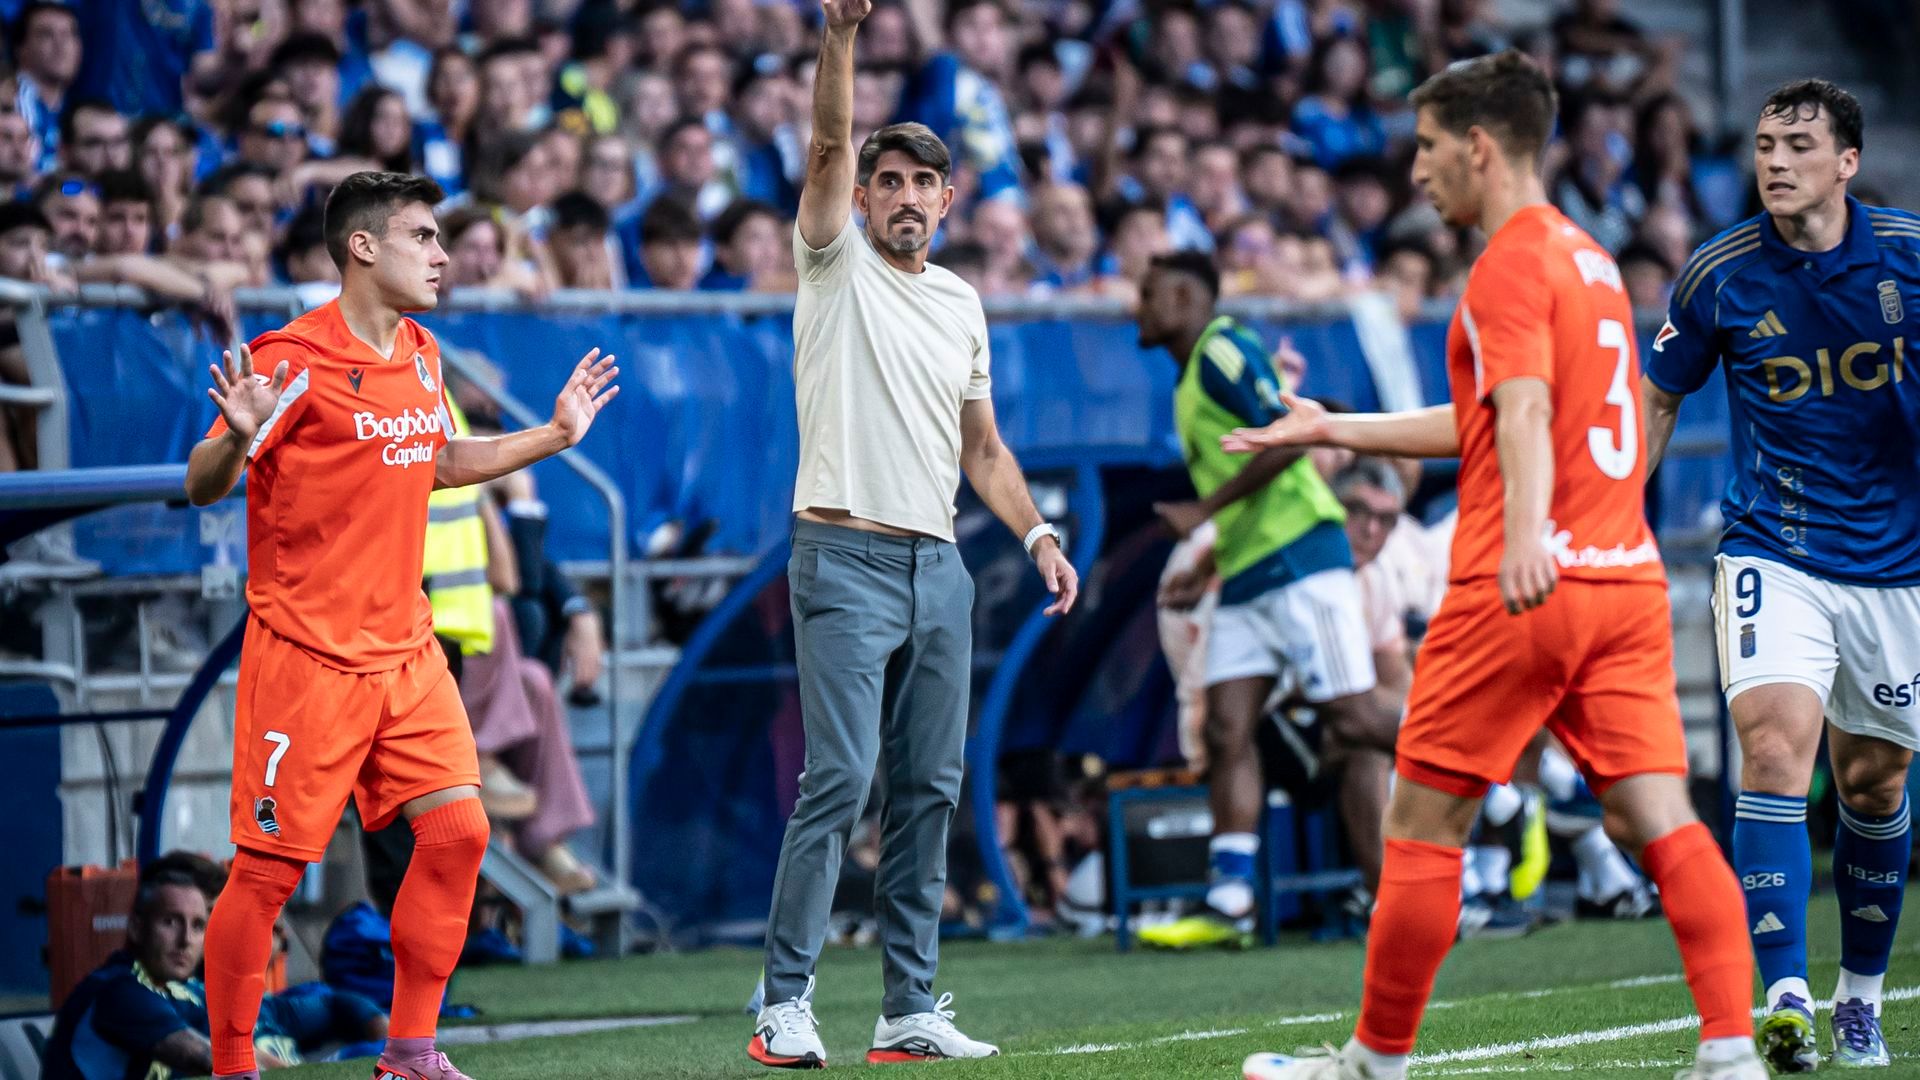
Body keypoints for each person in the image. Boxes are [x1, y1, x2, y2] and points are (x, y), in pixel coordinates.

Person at [1231, 50, 1761, 1080]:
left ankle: (1371, 1064)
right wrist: (1331, 429)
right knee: (1661, 815)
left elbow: (1520, 414)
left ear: (1480, 145)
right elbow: (1493, 416)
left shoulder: (1508, 261)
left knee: (1422, 822)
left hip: (1522, 582)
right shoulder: (1591, 259)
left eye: (1427, 148)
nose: (1417, 172)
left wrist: (1523, 535)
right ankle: (1730, 1047)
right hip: (1623, 580)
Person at [182, 170, 619, 1080]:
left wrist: (553, 435)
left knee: (460, 834)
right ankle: (231, 1068)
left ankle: (410, 1053)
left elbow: (442, 458)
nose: (443, 254)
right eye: (423, 236)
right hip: (307, 659)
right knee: (266, 877)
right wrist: (233, 437)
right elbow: (202, 484)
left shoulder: (421, 349)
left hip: (407, 652)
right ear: (363, 247)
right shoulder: (289, 358)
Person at [749, 0, 1077, 1066]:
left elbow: (983, 450)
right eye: (883, 179)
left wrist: (1036, 538)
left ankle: (907, 1007)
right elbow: (832, 139)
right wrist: (841, 37)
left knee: (932, 786)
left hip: (939, 564)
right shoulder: (829, 261)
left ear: (947, 199)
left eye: (917, 182)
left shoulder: (964, 301)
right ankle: (784, 1000)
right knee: (840, 777)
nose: (896, 195)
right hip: (840, 553)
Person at [1641, 78, 1920, 1073]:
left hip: (1899, 565)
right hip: (1776, 548)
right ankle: (1788, 996)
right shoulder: (1720, 272)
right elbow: (1659, 398)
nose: (1774, 160)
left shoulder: (1910, 257)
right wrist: (1614, 521)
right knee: (1771, 748)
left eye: (1798, 145)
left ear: (1846, 162)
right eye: (1763, 143)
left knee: (1873, 782)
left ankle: (1861, 997)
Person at [1132, 251, 1380, 949]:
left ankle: (1493, 785)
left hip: (1302, 556)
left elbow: (1291, 436)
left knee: (1354, 718)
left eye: (1148, 293)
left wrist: (1200, 511)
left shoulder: (1223, 349)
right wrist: (1208, 557)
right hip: (1247, 572)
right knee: (1224, 728)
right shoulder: (1190, 379)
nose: (1137, 307)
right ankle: (1231, 898)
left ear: (1184, 295)